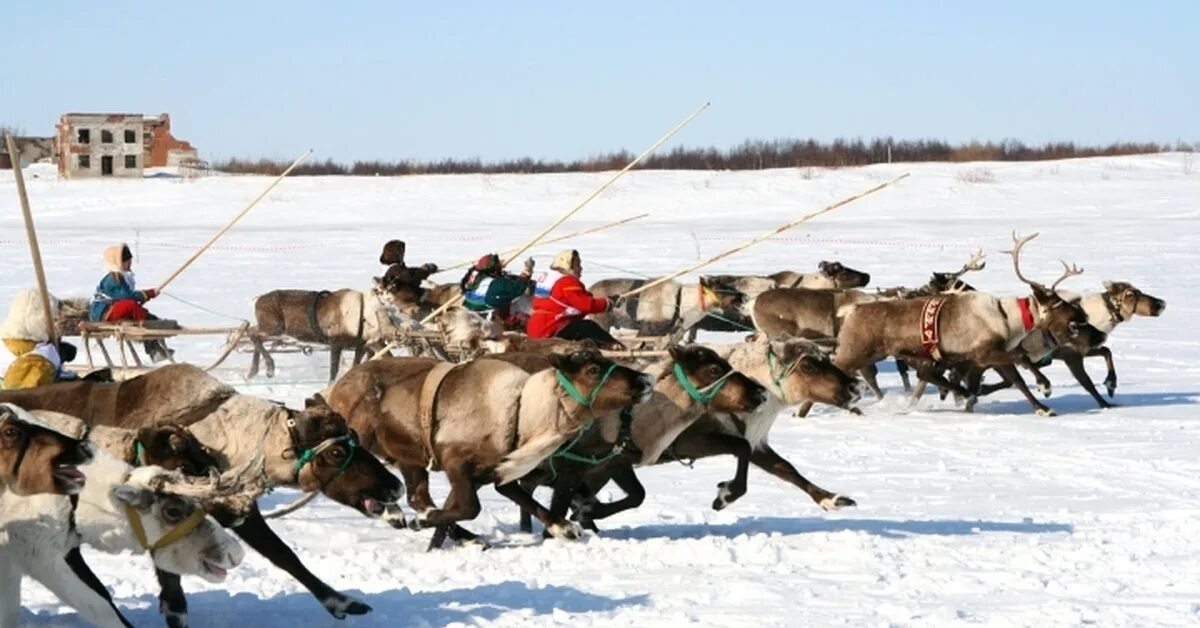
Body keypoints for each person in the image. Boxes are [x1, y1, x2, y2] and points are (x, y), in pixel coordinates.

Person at [89, 243, 173, 363]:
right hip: (104, 313)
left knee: (133, 307)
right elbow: (127, 297)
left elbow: (127, 296)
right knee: (130, 305)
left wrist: (144, 297)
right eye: (126, 262)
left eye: (129, 261)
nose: (129, 264)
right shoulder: (113, 278)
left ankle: (154, 348)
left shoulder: (121, 276)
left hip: (113, 309)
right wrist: (147, 293)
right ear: (118, 263)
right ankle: (151, 326)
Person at [527, 249, 624, 349]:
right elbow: (586, 305)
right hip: (551, 329)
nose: (581, 268)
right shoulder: (566, 282)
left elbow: (576, 298)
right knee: (587, 327)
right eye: (578, 265)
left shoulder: (550, 278)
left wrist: (603, 300)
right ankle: (615, 347)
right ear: (568, 265)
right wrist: (608, 304)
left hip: (538, 327)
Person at [461, 254, 535, 328]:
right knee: (517, 301)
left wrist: (498, 267)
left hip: (468, 309)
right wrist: (527, 271)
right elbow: (517, 288)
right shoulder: (492, 283)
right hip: (483, 316)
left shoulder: (472, 274)